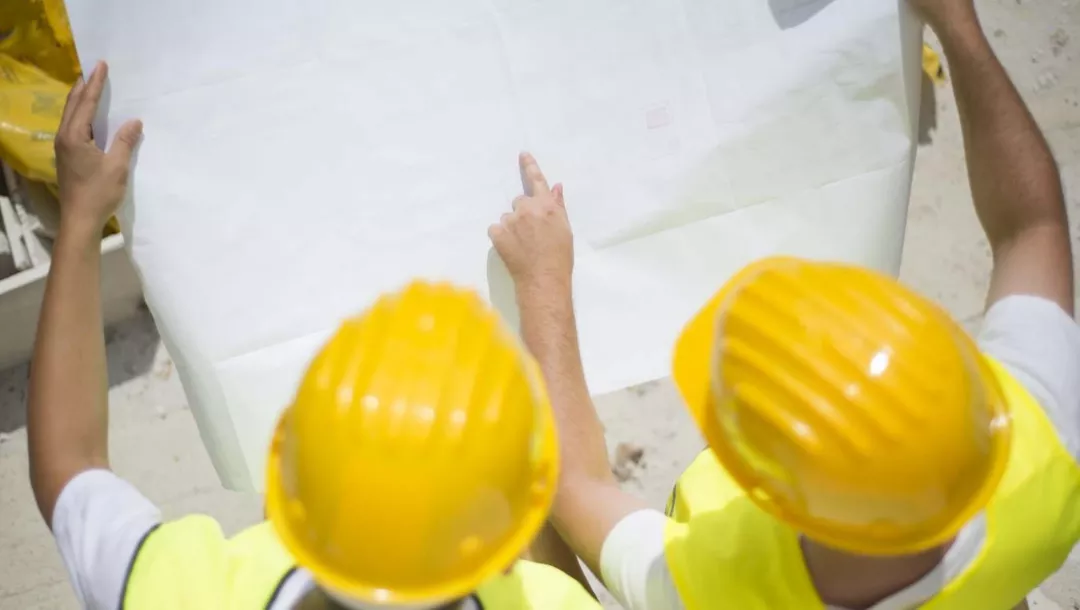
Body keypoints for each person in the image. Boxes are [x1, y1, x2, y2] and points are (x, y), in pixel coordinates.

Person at [488, 0, 1079, 608]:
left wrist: (541, 282)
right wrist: (958, 26)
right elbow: (1032, 227)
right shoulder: (1035, 459)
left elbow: (578, 485)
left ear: (772, 496)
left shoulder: (715, 585)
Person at [29, 62, 599, 609]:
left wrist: (81, 216)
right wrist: (543, 292)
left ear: (283, 481)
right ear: (502, 554)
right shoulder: (549, 600)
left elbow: (70, 469)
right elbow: (576, 507)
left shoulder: (190, 594)